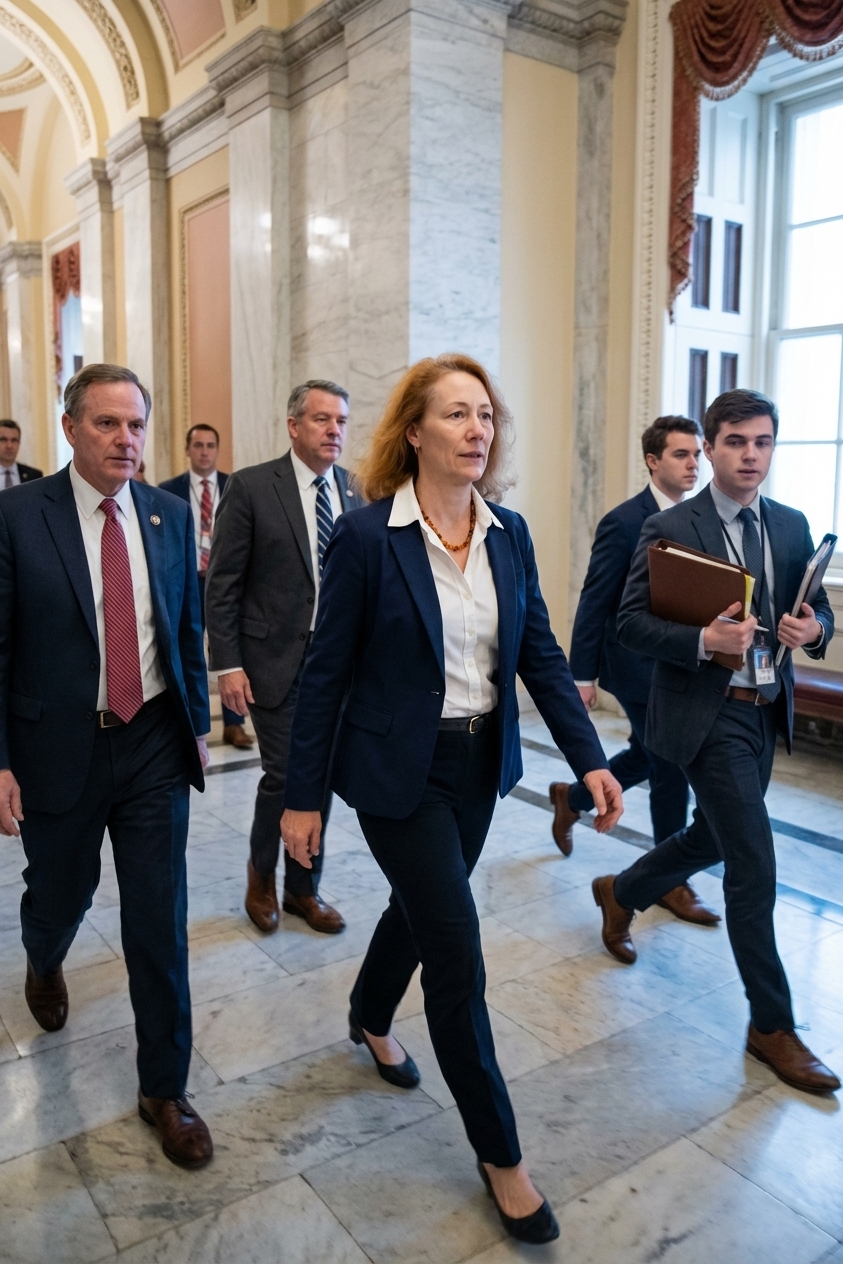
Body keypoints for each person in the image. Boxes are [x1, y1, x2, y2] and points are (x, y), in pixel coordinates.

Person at [280, 354, 623, 1243]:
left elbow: (538, 655)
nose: (478, 430)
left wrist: (588, 760)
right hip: (400, 776)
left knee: (421, 908)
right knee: (457, 952)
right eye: (458, 415)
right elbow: (323, 678)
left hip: (479, 770)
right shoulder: (364, 538)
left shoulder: (507, 531)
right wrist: (301, 797)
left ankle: (365, 1014)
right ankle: (501, 1156)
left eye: (486, 416)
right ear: (414, 432)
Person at [593, 387, 839, 1095]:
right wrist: (701, 639)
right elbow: (630, 624)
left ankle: (623, 888)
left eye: (761, 442)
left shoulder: (790, 526)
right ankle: (771, 1024)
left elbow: (813, 605)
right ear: (709, 449)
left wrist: (812, 629)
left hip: (764, 709)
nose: (750, 455)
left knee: (711, 837)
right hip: (707, 714)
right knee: (752, 864)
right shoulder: (671, 526)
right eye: (734, 442)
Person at [0, 363, 215, 1167]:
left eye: (135, 425)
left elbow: (182, 629)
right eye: (107, 425)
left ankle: (164, 1086)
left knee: (158, 920)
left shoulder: (162, 515)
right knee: (62, 891)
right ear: (70, 428)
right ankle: (44, 952)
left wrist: (196, 723)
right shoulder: (18, 516)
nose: (126, 440)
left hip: (153, 740)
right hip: (60, 746)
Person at [552, 416, 720, 927]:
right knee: (669, 766)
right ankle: (669, 880)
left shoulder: (706, 517)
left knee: (651, 755)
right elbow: (595, 600)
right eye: (680, 455)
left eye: (697, 454)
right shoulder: (625, 521)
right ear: (653, 460)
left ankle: (573, 797)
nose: (694, 464)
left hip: (686, 661)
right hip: (634, 666)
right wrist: (581, 674)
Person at [205, 380, 357, 935]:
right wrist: (228, 663)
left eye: (340, 420)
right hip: (274, 660)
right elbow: (222, 583)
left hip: (339, 666)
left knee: (317, 779)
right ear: (294, 426)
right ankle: (261, 877)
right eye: (321, 420)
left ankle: (303, 890)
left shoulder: (356, 490)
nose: (333, 430)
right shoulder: (251, 487)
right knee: (287, 774)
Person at [160, 424, 253, 749]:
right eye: (197, 445)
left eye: (210, 445)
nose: (204, 451)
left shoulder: (236, 486)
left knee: (231, 653)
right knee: (190, 653)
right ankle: (192, 720)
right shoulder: (168, 490)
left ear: (217, 449)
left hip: (228, 584)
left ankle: (234, 723)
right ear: (187, 449)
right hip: (188, 583)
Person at [0, 419, 42, 487]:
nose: (9, 446)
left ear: (19, 443)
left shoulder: (34, 476)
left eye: (14, 440)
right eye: (3, 440)